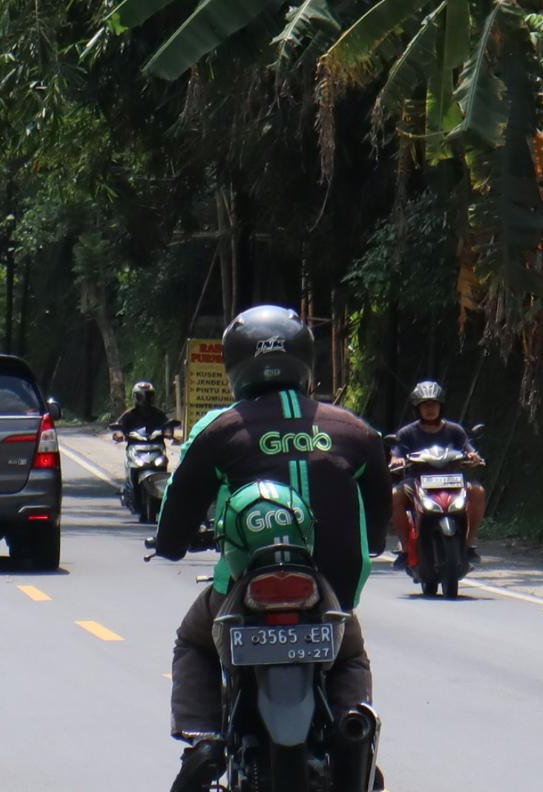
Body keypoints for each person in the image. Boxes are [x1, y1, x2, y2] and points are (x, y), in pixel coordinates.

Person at [153, 305, 391, 791]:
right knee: (347, 654)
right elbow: (378, 532)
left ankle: (204, 739)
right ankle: (352, 732)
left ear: (234, 364)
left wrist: (173, 544)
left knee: (195, 640)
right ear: (306, 360)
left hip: (244, 591)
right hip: (328, 596)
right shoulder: (355, 431)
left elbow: (173, 532)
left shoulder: (221, 430)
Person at [390, 380, 486, 566]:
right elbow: (397, 452)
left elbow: (468, 447)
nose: (430, 409)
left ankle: (468, 544)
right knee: (395, 496)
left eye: (433, 404)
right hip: (416, 482)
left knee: (478, 492)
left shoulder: (455, 431)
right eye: (425, 405)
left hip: (452, 481)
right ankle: (405, 548)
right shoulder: (407, 433)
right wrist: (396, 460)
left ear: (441, 406)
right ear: (417, 408)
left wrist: (473, 456)